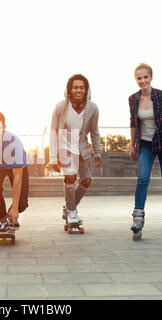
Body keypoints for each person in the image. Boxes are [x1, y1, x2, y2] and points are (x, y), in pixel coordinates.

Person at [128, 63, 162, 240]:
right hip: (145, 144)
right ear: (136, 79)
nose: (142, 81)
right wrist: (131, 144)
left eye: (145, 77)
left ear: (151, 77)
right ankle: (138, 216)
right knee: (143, 177)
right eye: (139, 78)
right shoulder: (133, 99)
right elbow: (134, 123)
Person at [49, 74, 102, 226]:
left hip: (82, 148)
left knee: (86, 180)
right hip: (65, 147)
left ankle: (69, 208)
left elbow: (94, 131)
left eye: (81, 87)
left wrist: (98, 152)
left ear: (86, 90)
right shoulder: (61, 107)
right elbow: (53, 130)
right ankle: (72, 212)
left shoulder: (92, 108)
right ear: (70, 90)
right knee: (70, 177)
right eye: (75, 87)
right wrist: (53, 157)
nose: (78, 90)